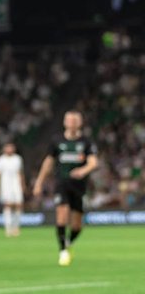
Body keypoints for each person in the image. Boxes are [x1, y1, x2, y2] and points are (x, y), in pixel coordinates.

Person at [33, 111, 98, 266]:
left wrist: (83, 171)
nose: (72, 123)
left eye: (75, 120)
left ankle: (68, 242)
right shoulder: (57, 141)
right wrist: (39, 182)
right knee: (61, 215)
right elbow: (48, 163)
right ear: (64, 122)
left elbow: (93, 162)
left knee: (77, 226)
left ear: (80, 123)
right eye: (69, 120)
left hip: (79, 187)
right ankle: (62, 251)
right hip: (61, 184)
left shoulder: (86, 142)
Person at [0, 142, 25, 237]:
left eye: (11, 147)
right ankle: (8, 228)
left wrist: (23, 185)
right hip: (5, 185)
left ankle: (16, 227)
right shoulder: (0, 160)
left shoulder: (18, 159)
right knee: (7, 205)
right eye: (8, 147)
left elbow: (20, 173)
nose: (9, 149)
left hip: (16, 184)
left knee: (18, 204)